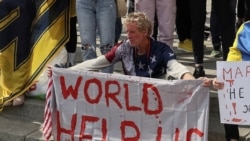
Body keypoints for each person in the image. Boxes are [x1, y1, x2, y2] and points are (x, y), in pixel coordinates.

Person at [48, 12, 211, 88]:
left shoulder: (162, 49)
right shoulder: (124, 48)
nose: (128, 36)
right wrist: (64, 72)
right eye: (127, 32)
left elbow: (178, 69)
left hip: (156, 97)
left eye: (132, 32)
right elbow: (95, 64)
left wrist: (196, 82)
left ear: (145, 32)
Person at [212, 21, 250, 141]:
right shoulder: (246, 28)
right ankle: (232, 138)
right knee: (228, 93)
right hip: (245, 79)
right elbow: (233, 55)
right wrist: (223, 78)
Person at [76, 0, 116, 73]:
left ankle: (106, 81)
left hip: (105, 3)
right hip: (83, 3)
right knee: (87, 48)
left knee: (107, 47)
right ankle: (90, 80)